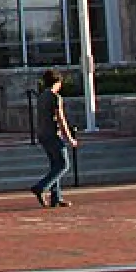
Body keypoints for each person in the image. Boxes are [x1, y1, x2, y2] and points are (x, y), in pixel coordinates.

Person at [30, 68, 79, 208]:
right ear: (57, 82)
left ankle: (56, 197)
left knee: (54, 165)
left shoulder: (41, 97)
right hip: (52, 134)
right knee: (64, 164)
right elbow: (60, 118)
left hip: (42, 134)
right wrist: (69, 138)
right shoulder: (55, 97)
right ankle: (41, 187)